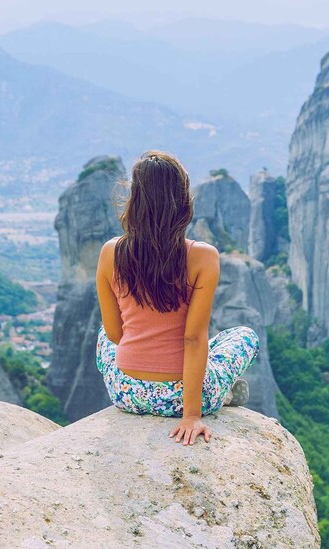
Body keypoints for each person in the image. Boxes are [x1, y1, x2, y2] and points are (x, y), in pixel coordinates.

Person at [94, 150, 260, 446]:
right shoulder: (203, 257)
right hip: (181, 399)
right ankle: (223, 392)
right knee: (244, 337)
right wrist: (191, 416)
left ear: (135, 201)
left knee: (101, 334)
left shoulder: (110, 252)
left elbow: (115, 333)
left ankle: (213, 386)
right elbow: (193, 339)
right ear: (183, 202)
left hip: (126, 393)